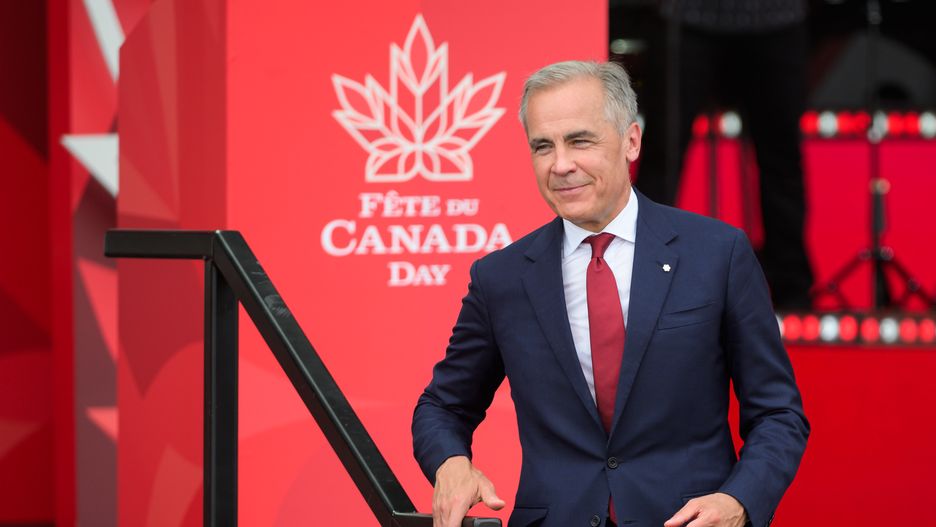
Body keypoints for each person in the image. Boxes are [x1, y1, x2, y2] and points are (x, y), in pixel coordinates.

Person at [412, 61, 808, 527]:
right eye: (543, 146)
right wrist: (450, 463)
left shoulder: (717, 255)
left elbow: (779, 414)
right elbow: (442, 406)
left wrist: (738, 502)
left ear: (631, 141)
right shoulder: (501, 277)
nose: (561, 165)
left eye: (580, 140)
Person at [636, 0, 814, 310]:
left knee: (782, 158)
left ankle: (792, 290)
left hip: (777, 18)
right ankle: (642, 278)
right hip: (687, 15)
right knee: (663, 154)